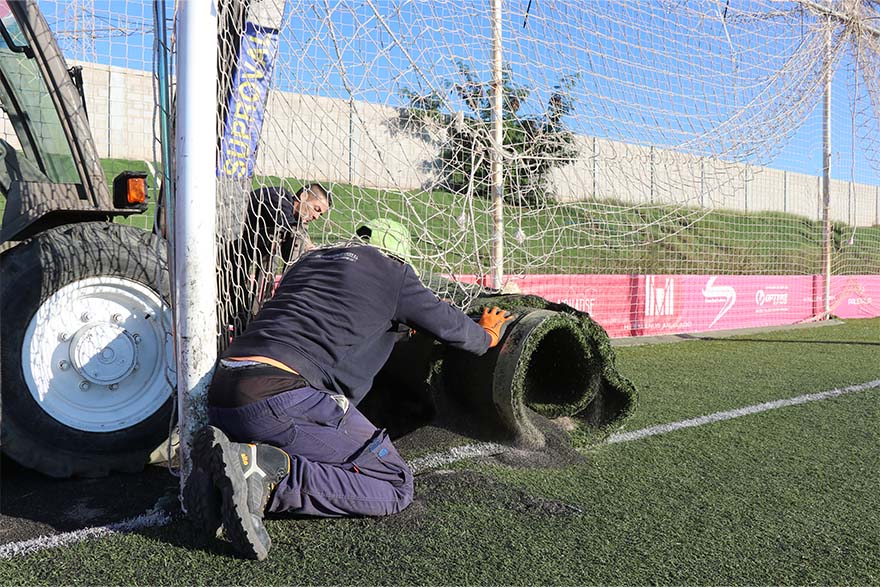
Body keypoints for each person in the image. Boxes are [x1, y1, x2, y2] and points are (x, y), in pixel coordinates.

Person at [189, 218, 514, 560]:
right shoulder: (395, 273)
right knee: (394, 484)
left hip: (224, 392)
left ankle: (218, 485)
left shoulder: (308, 263)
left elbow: (339, 318)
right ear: (398, 254)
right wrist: (487, 335)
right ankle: (265, 476)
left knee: (312, 439)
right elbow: (458, 332)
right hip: (280, 397)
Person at [221, 183, 332, 343]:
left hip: (242, 262)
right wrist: (306, 243)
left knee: (250, 310)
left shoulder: (295, 222)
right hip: (224, 256)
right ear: (303, 197)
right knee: (237, 309)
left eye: (320, 215)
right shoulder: (277, 196)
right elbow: (287, 225)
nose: (316, 217)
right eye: (316, 209)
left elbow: (291, 249)